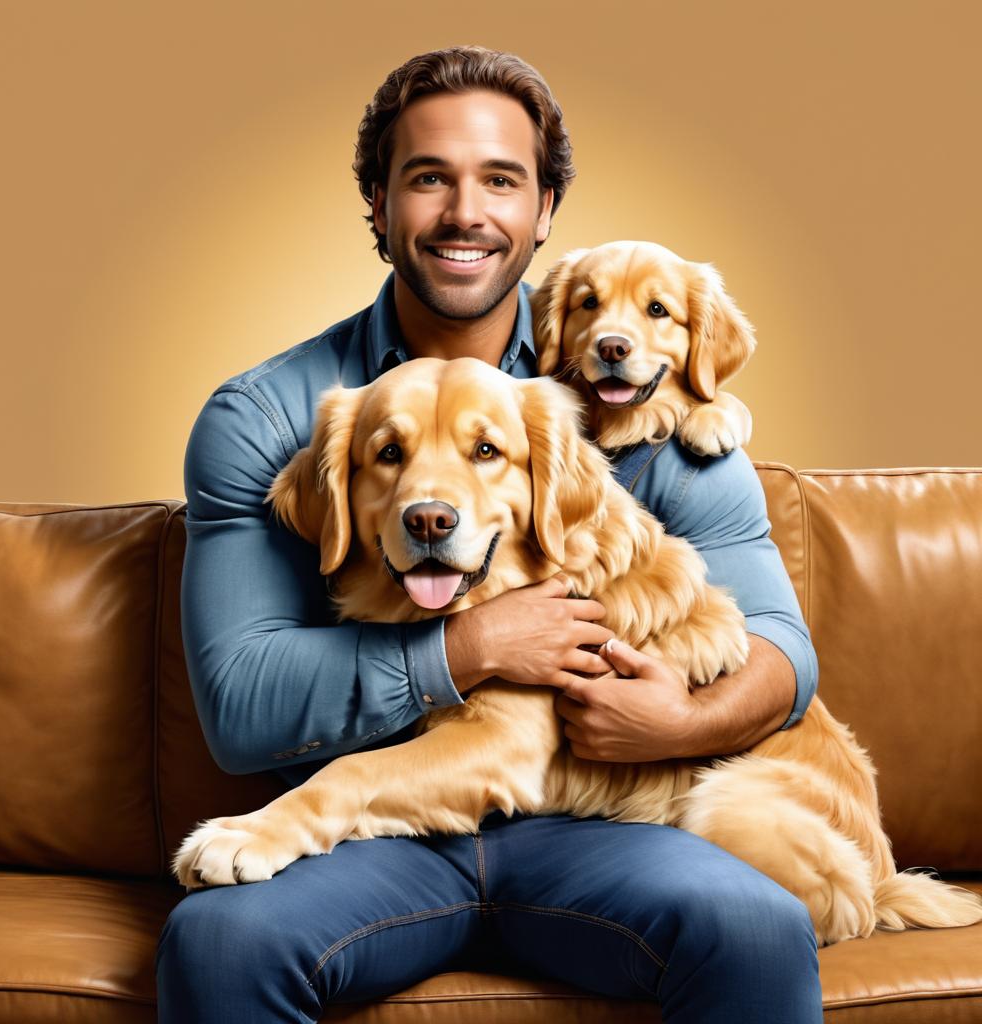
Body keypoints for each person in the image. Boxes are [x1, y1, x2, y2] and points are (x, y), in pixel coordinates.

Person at [156, 45, 823, 1023]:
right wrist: (464, 649)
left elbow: (783, 653)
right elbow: (242, 701)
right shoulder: (265, 416)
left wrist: (674, 724)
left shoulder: (646, 386)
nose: (466, 211)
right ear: (377, 205)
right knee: (217, 940)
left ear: (543, 209)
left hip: (591, 822)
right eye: (428, 178)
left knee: (756, 927)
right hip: (370, 842)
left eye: (500, 180)